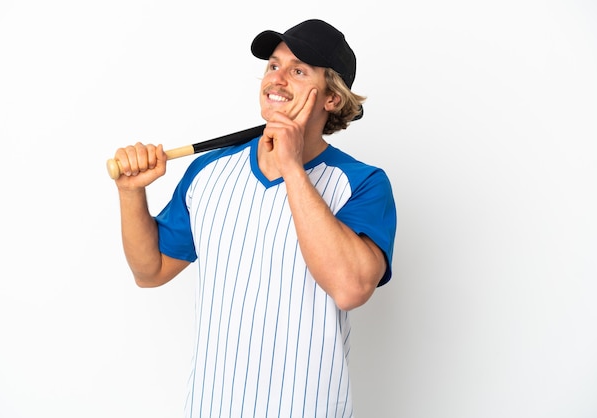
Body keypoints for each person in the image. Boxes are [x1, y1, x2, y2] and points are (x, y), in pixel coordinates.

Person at [112, 18, 396, 417]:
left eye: (298, 71)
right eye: (273, 65)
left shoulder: (363, 184)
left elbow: (351, 288)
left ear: (332, 98)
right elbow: (151, 270)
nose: (277, 80)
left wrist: (292, 167)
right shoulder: (208, 172)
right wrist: (130, 193)